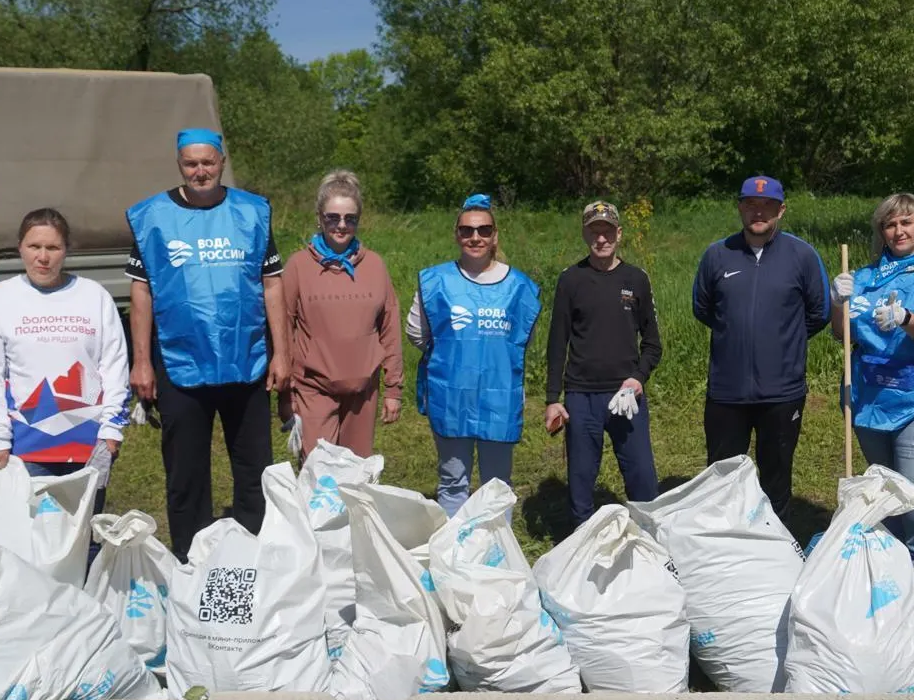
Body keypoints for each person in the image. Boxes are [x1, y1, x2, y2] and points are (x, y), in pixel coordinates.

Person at [127, 128, 289, 560]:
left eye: (208, 162)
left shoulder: (252, 212)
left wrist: (283, 354)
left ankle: (257, 554)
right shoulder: (153, 217)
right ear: (180, 164)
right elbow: (141, 294)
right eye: (190, 163)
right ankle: (189, 559)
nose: (200, 171)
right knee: (186, 474)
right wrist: (141, 362)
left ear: (221, 162)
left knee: (256, 470)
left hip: (246, 360)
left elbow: (271, 285)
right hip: (181, 363)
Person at [829, 194, 914, 584]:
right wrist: (839, 302)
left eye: (906, 222)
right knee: (878, 479)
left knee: (912, 483)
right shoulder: (865, 277)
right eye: (890, 224)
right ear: (881, 232)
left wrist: (904, 317)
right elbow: (842, 333)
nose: (898, 231)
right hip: (869, 392)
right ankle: (888, 551)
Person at [0, 208, 129, 518]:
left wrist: (111, 429)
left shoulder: (94, 296)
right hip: (25, 444)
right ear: (20, 247)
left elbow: (114, 366)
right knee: (33, 536)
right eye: (34, 247)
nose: (43, 257)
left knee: (85, 535)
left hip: (88, 443)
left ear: (66, 250)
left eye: (53, 248)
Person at [692, 174, 831, 518]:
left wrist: (781, 340)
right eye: (750, 205)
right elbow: (704, 309)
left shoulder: (802, 255)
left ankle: (777, 547)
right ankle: (722, 548)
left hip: (782, 392)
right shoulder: (717, 255)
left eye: (766, 206)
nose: (758, 212)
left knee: (776, 477)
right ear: (740, 208)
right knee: (722, 478)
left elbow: (819, 313)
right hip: (727, 392)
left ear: (780, 210)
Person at [408, 194, 542, 516]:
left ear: (495, 235)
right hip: (451, 397)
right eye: (467, 230)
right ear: (457, 234)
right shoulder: (435, 281)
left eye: (483, 230)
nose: (475, 237)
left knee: (497, 485)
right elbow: (417, 333)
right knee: (453, 482)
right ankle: (454, 559)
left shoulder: (520, 287)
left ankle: (495, 558)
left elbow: (523, 340)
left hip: (500, 400)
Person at [543, 200, 663, 530]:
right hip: (582, 396)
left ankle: (649, 543)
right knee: (581, 482)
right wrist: (553, 398)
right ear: (585, 234)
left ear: (619, 233)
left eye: (607, 231)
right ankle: (581, 548)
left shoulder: (637, 279)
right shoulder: (571, 280)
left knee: (642, 478)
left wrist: (638, 379)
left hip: (626, 397)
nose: (601, 239)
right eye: (594, 232)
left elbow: (653, 345)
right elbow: (557, 343)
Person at [278, 169, 403, 458]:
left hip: (363, 390)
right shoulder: (298, 266)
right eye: (332, 217)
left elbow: (390, 328)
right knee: (319, 472)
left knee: (355, 476)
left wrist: (393, 389)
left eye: (350, 218)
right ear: (319, 217)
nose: (341, 225)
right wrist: (285, 394)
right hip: (314, 388)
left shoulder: (374, 265)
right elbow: (282, 329)